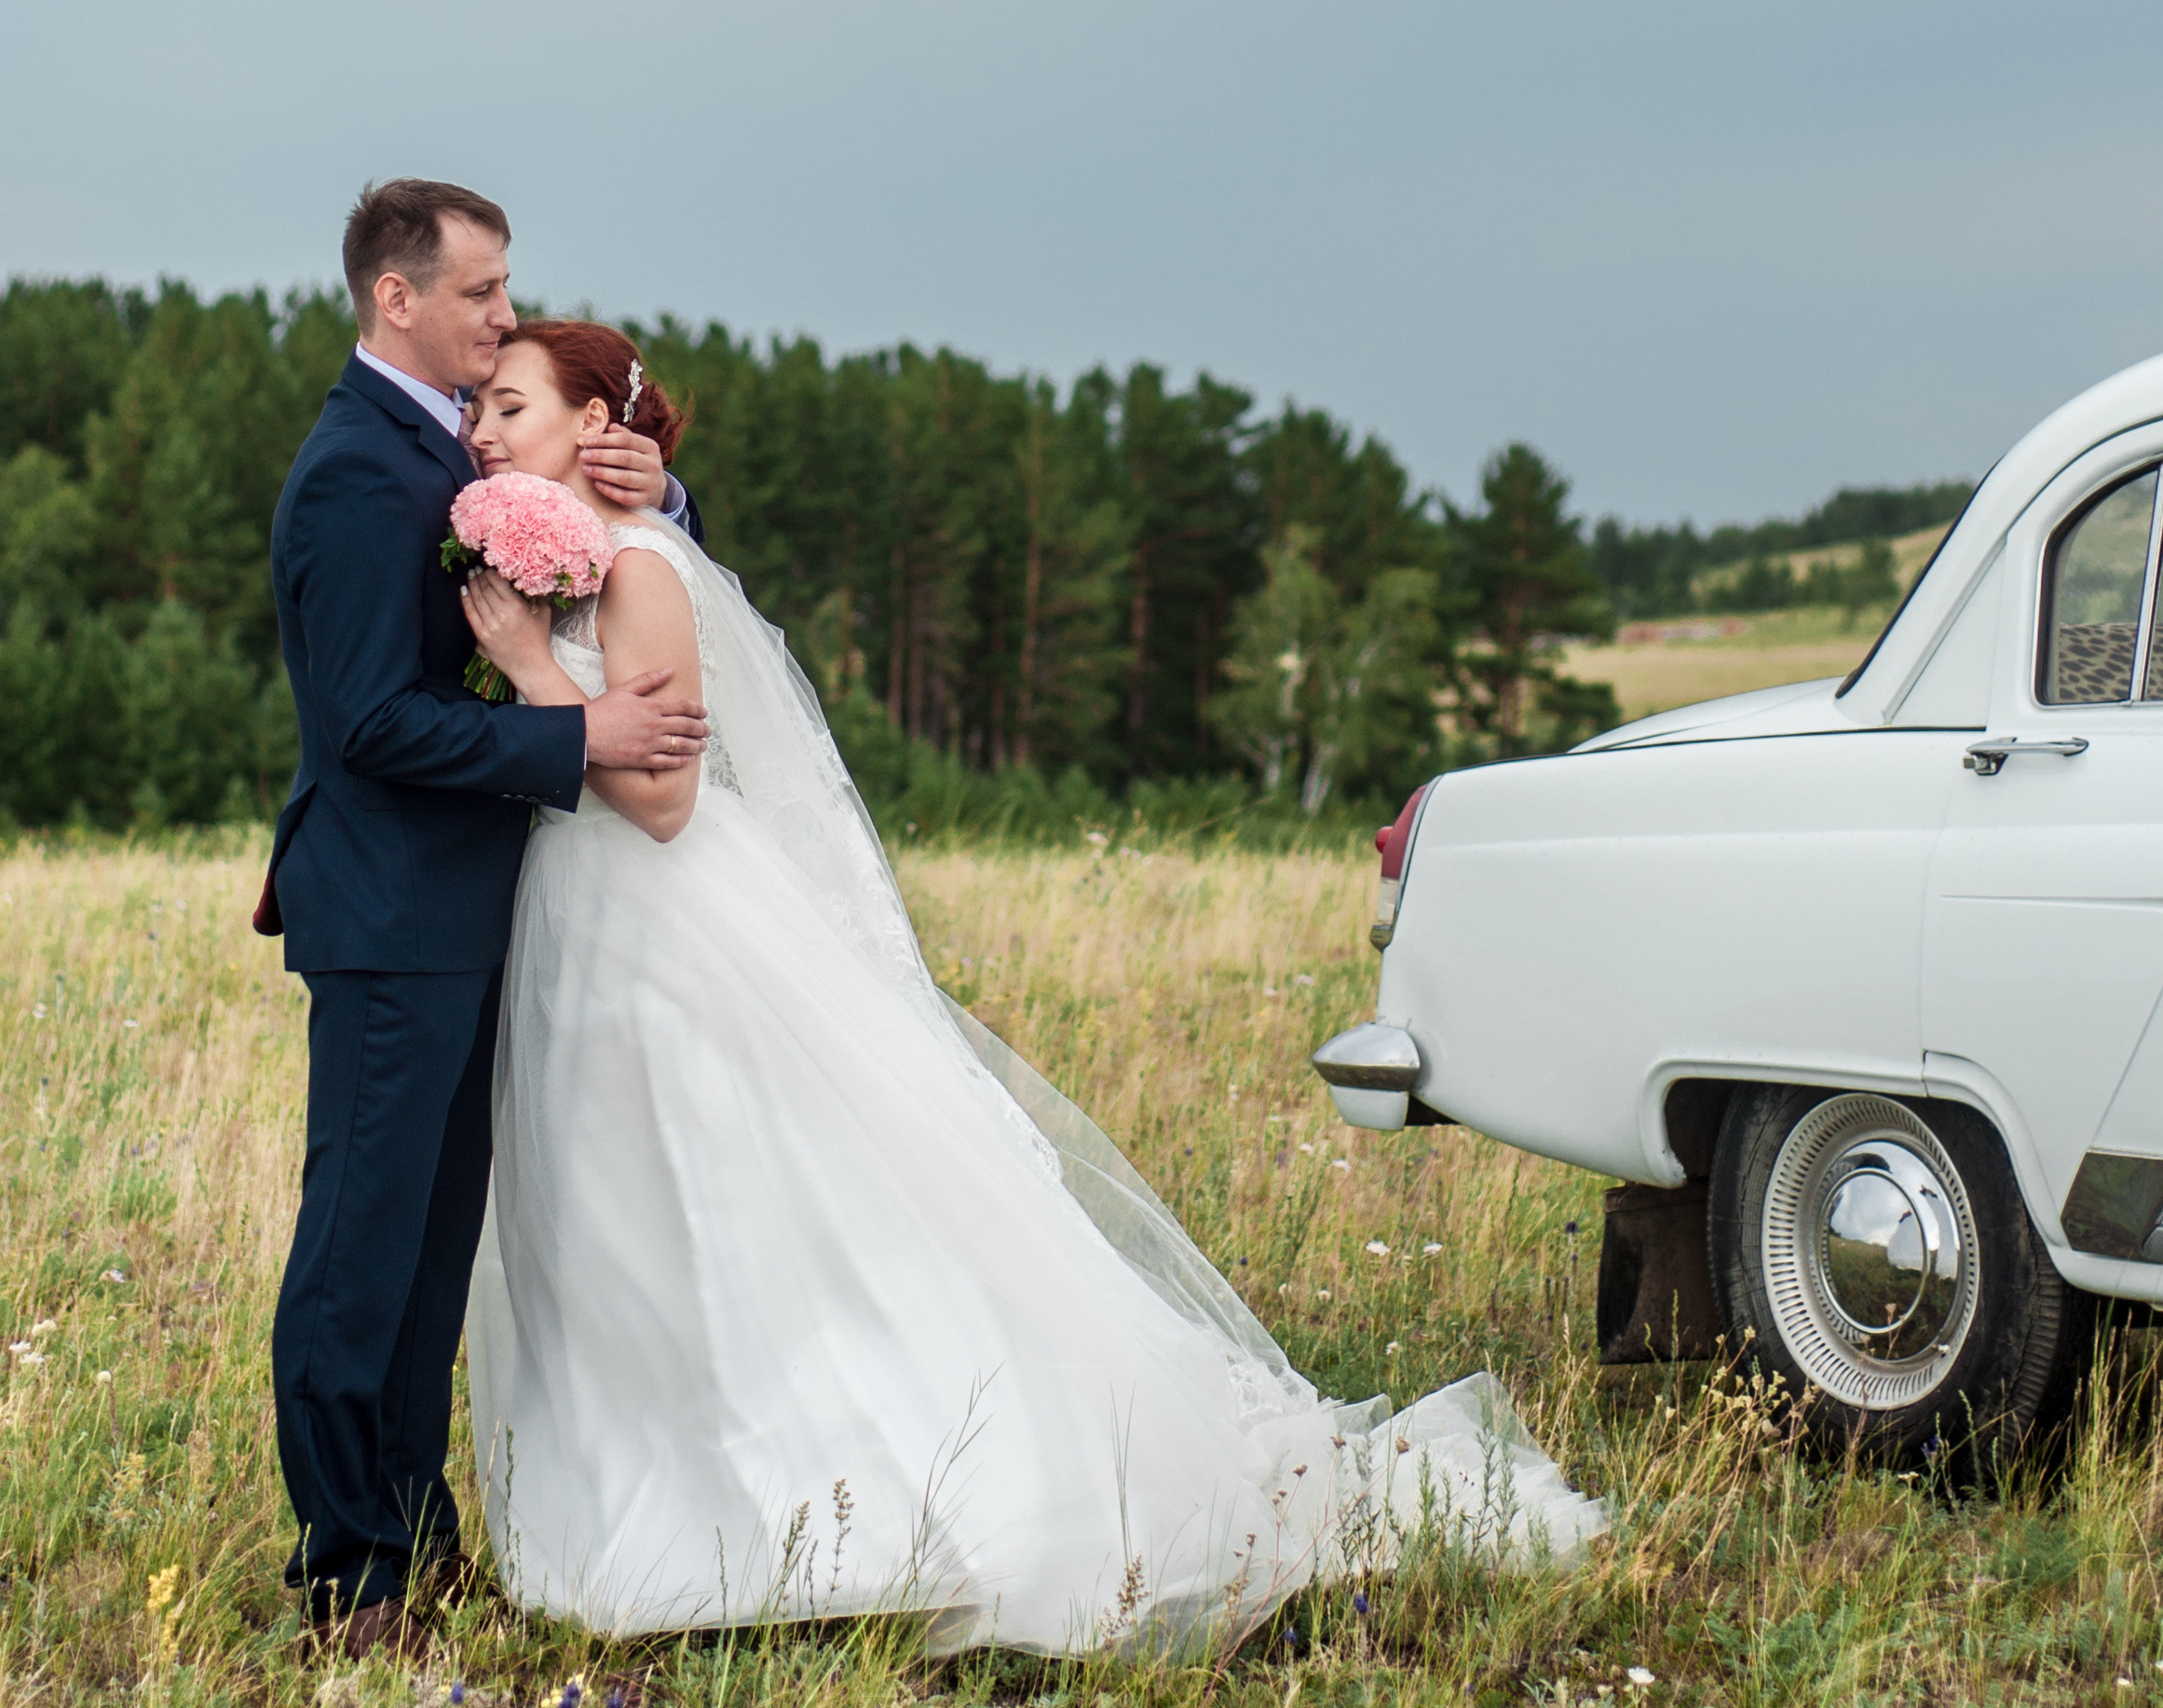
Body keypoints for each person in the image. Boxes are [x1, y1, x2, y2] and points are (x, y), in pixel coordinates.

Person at [456, 319, 1605, 1656]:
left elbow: (660, 801)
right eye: (477, 403)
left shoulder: (642, 566)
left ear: (600, 427)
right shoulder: (541, 557)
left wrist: (535, 670)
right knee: (619, 1220)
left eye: (510, 405)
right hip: (579, 928)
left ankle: (818, 1509)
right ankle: (647, 1508)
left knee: (735, 1204)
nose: (480, 426)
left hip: (663, 919)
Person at [263, 179, 714, 1655]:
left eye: (507, 291)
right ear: (397, 299)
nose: (504, 316)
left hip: (470, 917)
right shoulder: (353, 471)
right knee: (362, 1247)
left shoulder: (446, 445)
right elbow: (368, 725)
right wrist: (573, 741)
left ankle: (410, 1531)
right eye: (480, 294)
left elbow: (599, 550)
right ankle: (347, 1576)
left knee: (430, 1254)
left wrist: (664, 498)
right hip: (393, 914)